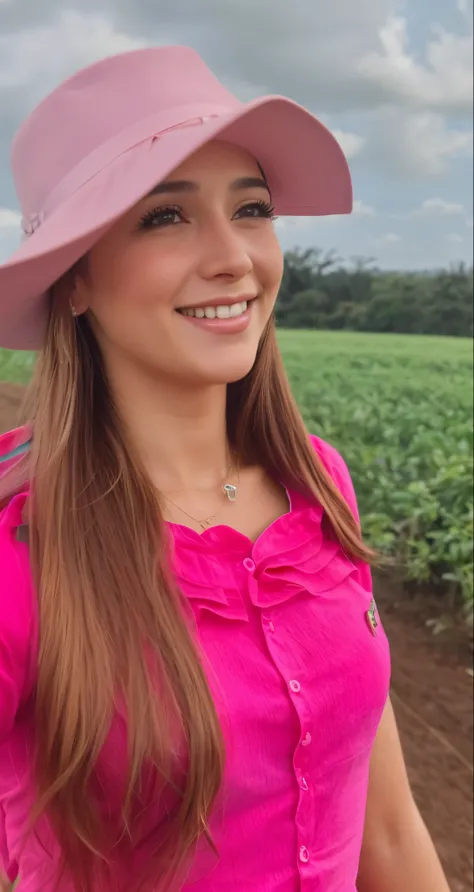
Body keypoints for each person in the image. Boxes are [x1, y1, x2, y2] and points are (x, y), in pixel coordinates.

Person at [0, 46, 450, 892]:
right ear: (75, 281)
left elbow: (386, 829)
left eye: (251, 209)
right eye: (166, 217)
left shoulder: (317, 483)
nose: (234, 257)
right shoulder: (22, 541)